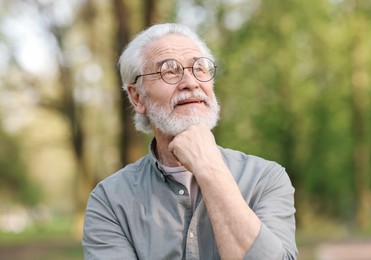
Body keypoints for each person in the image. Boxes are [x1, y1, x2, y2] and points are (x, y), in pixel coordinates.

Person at [82, 23, 298, 260]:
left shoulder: (266, 179)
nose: (191, 82)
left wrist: (210, 169)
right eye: (170, 70)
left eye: (199, 68)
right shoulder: (110, 201)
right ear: (137, 97)